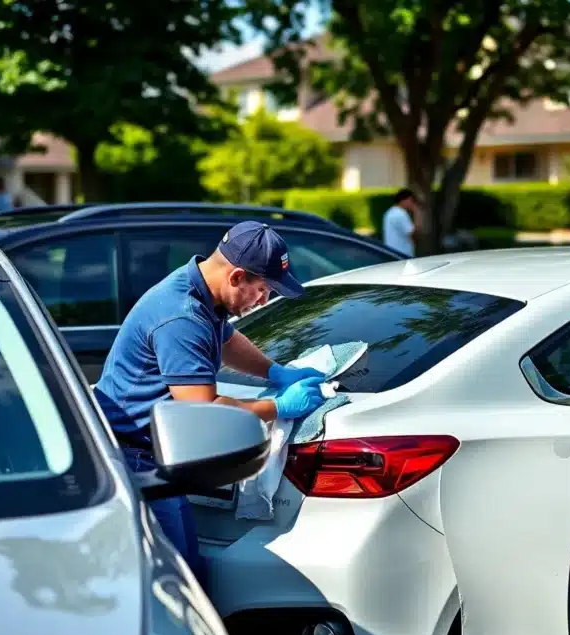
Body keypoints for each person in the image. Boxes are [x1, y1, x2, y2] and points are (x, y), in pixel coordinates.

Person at [94, 221, 327, 579]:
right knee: (179, 580)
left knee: (187, 572)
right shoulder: (180, 316)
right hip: (136, 460)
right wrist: (277, 408)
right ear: (236, 277)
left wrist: (275, 372)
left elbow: (227, 341)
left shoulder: (204, 291)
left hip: (153, 453)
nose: (264, 300)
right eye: (263, 289)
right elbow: (202, 414)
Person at [382, 188, 418, 257]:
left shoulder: (389, 212)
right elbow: (412, 233)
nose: (412, 204)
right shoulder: (401, 214)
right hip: (402, 254)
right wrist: (416, 213)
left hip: (392, 252)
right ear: (404, 200)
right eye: (411, 201)